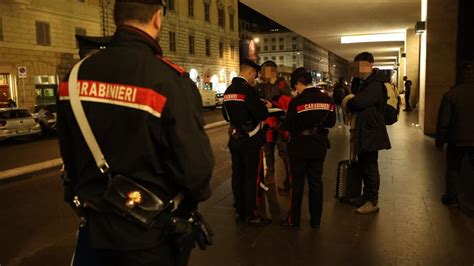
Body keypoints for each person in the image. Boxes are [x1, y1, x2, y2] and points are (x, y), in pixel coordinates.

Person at [57, 0, 214, 265]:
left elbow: (69, 158)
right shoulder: (170, 82)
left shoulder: (73, 78)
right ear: (157, 18)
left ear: (117, 17)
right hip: (150, 238)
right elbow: (196, 171)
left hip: (93, 231)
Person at [280, 67, 336, 229]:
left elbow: (288, 124)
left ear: (298, 83)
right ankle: (316, 221)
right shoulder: (327, 100)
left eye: (294, 86)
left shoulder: (296, 102)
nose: (295, 89)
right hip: (319, 144)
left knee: (297, 184)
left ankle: (294, 220)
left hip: (299, 145)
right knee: (316, 183)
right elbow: (331, 122)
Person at [222, 59, 271, 226]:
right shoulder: (248, 91)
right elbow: (262, 114)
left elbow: (225, 115)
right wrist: (264, 106)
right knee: (252, 178)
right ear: (250, 72)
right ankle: (252, 214)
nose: (254, 79)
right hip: (251, 139)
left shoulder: (228, 90)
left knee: (237, 175)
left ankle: (239, 211)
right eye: (254, 75)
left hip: (235, 139)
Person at [346, 52, 391, 214]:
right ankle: (366, 196)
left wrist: (350, 101)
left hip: (371, 130)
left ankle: (372, 201)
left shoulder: (374, 84)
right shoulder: (364, 82)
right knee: (365, 165)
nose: (359, 69)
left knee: (370, 166)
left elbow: (359, 102)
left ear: (371, 64)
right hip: (365, 129)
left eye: (362, 65)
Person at [435, 63, 474, 207]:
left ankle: (452, 199)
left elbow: (443, 121)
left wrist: (440, 141)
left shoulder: (452, 94)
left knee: (453, 169)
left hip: (457, 139)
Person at [255, 61, 292, 191]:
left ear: (272, 71)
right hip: (268, 124)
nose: (262, 74)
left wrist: (273, 105)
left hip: (281, 124)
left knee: (284, 152)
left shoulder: (283, 84)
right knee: (268, 150)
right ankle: (270, 175)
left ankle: (289, 178)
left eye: (264, 71)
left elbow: (288, 104)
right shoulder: (262, 86)